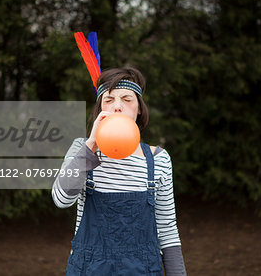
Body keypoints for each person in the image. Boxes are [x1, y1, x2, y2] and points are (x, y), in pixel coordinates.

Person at [52, 67, 187, 275]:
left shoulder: (158, 159)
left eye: (127, 99)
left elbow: (168, 231)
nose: (117, 107)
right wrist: (91, 146)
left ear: (139, 108)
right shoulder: (82, 149)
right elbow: (61, 199)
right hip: (88, 269)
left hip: (143, 270)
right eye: (109, 100)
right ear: (99, 110)